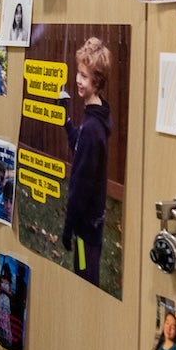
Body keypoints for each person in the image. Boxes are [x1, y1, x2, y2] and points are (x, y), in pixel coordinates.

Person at [61, 37, 113, 283]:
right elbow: (79, 146)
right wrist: (67, 121)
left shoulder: (94, 128)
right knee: (85, 274)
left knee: (84, 277)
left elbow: (79, 188)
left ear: (97, 81)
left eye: (84, 76)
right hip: (92, 224)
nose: (78, 81)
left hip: (85, 230)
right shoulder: (97, 114)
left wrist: (69, 228)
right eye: (78, 74)